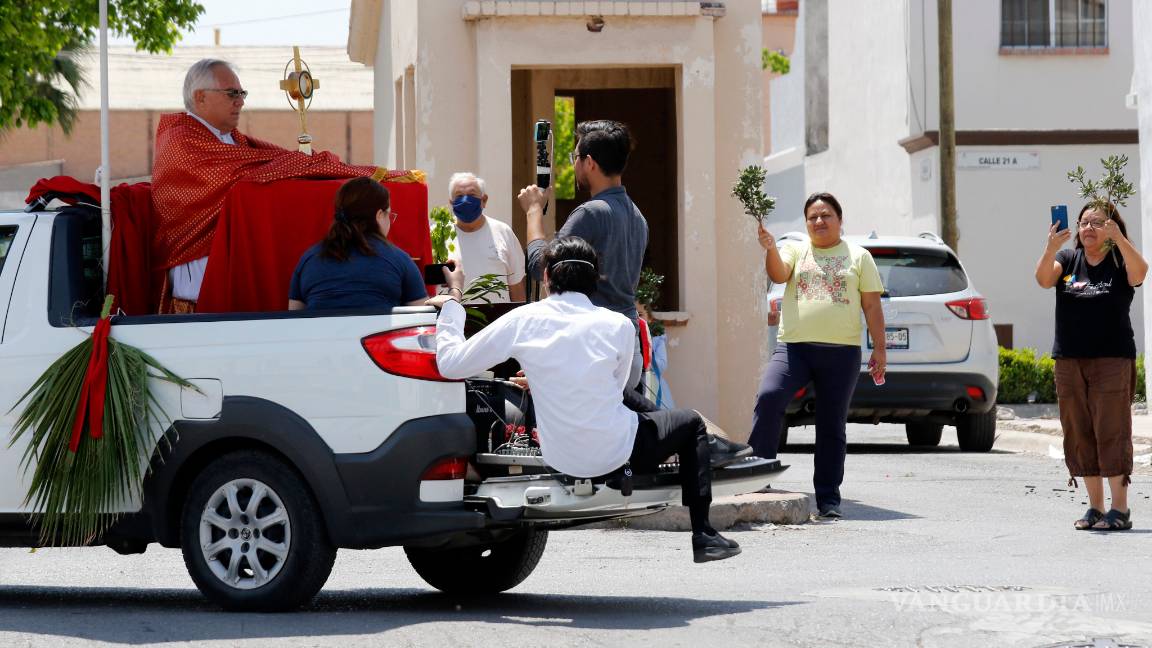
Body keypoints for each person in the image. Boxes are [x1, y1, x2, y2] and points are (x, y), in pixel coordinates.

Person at [428, 237, 748, 563]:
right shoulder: (620, 325)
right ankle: (704, 533)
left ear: (547, 276)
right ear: (595, 280)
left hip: (559, 457)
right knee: (690, 421)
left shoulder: (523, 319)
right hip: (619, 454)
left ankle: (711, 458)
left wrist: (454, 298)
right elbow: (617, 388)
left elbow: (451, 363)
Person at [151, 58, 416, 313]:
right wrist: (304, 164)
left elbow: (270, 164)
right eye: (232, 93)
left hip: (237, 261)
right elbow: (249, 177)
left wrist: (307, 164)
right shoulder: (181, 142)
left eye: (242, 93)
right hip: (199, 282)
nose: (240, 101)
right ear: (200, 97)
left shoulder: (231, 139)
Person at [747, 192, 886, 520]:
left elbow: (871, 305)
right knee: (769, 397)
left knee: (831, 424)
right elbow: (779, 275)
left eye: (826, 215)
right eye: (812, 217)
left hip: (842, 353)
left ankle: (828, 499)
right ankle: (757, 477)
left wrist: (880, 348)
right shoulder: (796, 249)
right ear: (806, 222)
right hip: (795, 348)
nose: (819, 221)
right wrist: (769, 248)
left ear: (840, 220)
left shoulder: (859, 256)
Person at [1034, 202, 1148, 531]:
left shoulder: (1118, 258)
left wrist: (1121, 241)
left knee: (1111, 431)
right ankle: (1096, 507)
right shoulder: (1068, 260)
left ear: (1112, 227)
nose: (1088, 228)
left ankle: (1121, 509)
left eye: (1097, 223)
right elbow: (1043, 280)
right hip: (1069, 359)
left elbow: (1140, 274)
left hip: (1112, 359)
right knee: (1080, 431)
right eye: (1084, 222)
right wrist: (1050, 247)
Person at [517, 120, 649, 388]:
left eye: (575, 158)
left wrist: (532, 212)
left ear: (589, 163)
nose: (574, 164)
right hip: (628, 348)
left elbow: (539, 267)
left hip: (594, 349)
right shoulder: (637, 217)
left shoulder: (592, 213)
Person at [288, 177, 427, 311]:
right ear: (379, 215)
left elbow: (294, 318)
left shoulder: (308, 260)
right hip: (378, 334)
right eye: (389, 215)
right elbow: (421, 318)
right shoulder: (400, 260)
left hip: (321, 334)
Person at [446, 172, 526, 303]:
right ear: (451, 202)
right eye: (459, 196)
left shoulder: (503, 232)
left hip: (497, 320)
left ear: (484, 200)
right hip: (452, 320)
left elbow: (516, 287)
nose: (465, 200)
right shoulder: (438, 235)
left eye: (472, 195)